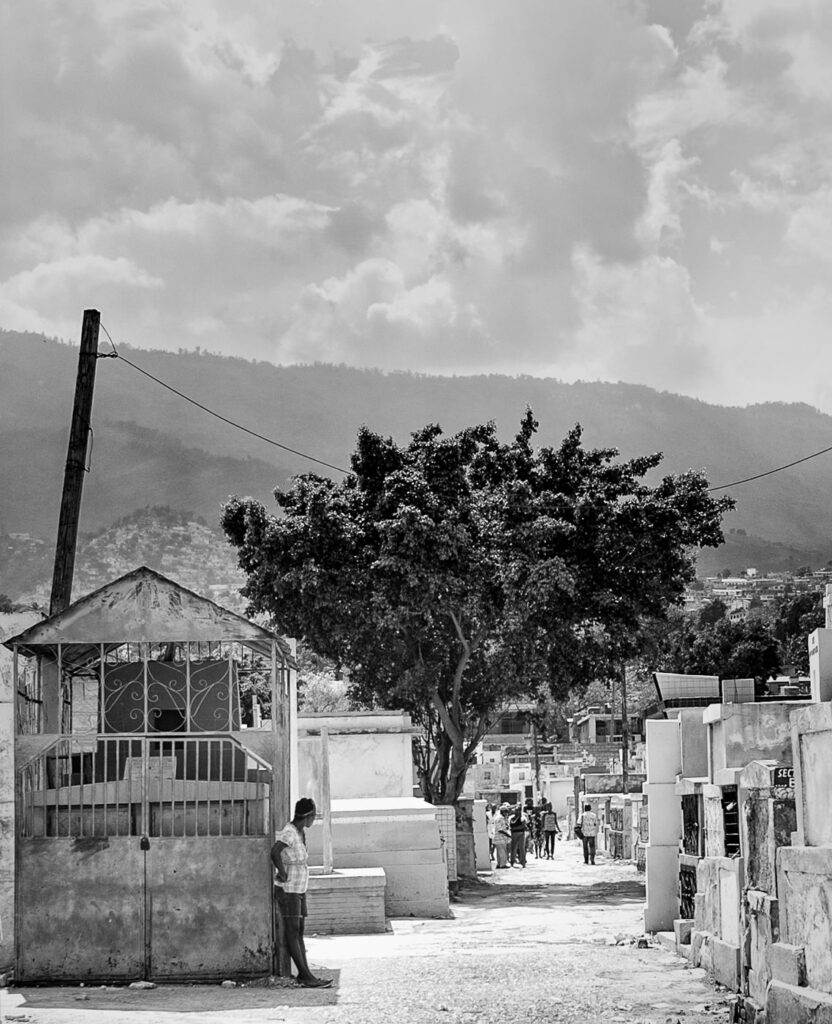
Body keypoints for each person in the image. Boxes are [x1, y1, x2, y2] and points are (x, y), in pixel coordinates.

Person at [271, 797, 332, 988]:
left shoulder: (299, 833)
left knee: (299, 932)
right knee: (293, 930)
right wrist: (281, 871)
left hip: (299, 888)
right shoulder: (289, 832)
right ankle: (304, 975)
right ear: (308, 816)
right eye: (313, 815)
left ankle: (306, 973)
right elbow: (275, 852)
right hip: (289, 889)